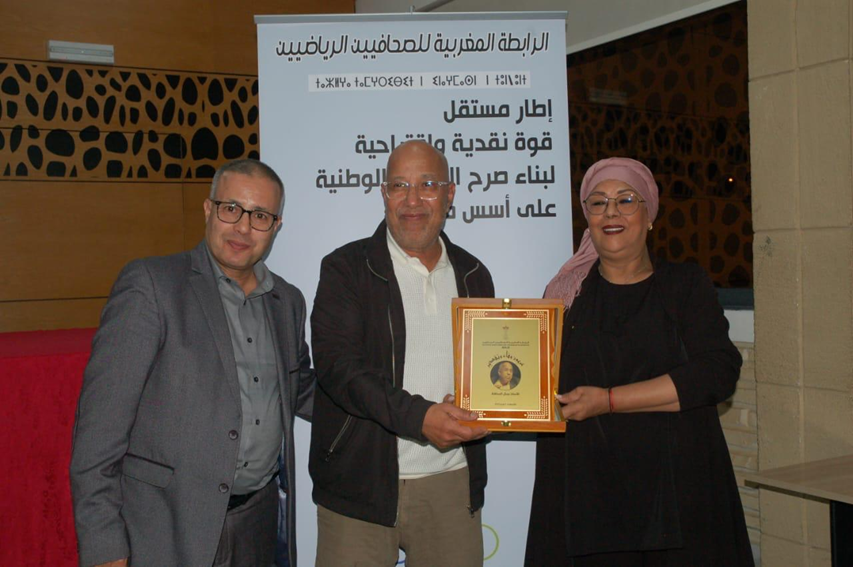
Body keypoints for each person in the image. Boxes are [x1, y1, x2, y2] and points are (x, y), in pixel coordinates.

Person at [69, 159, 314, 567]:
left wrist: (391, 405)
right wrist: (105, 545)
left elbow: (300, 387)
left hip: (257, 523)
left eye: (260, 216)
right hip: (165, 528)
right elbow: (99, 431)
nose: (243, 227)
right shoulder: (151, 285)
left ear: (276, 226)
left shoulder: (287, 301)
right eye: (231, 208)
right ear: (208, 209)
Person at [525, 157, 754, 566]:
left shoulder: (685, 285)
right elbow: (534, 386)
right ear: (588, 218)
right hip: (588, 502)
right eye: (598, 202)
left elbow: (716, 373)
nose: (611, 212)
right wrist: (483, 400)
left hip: (676, 498)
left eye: (626, 200)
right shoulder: (564, 297)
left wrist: (609, 400)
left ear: (649, 215)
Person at [309, 140, 493, 566]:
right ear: (384, 194)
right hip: (359, 487)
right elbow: (339, 369)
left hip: (451, 483)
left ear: (449, 194)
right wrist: (420, 418)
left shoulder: (474, 274)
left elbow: (487, 372)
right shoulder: (345, 268)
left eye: (427, 185)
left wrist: (487, 405)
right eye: (399, 185)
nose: (412, 200)